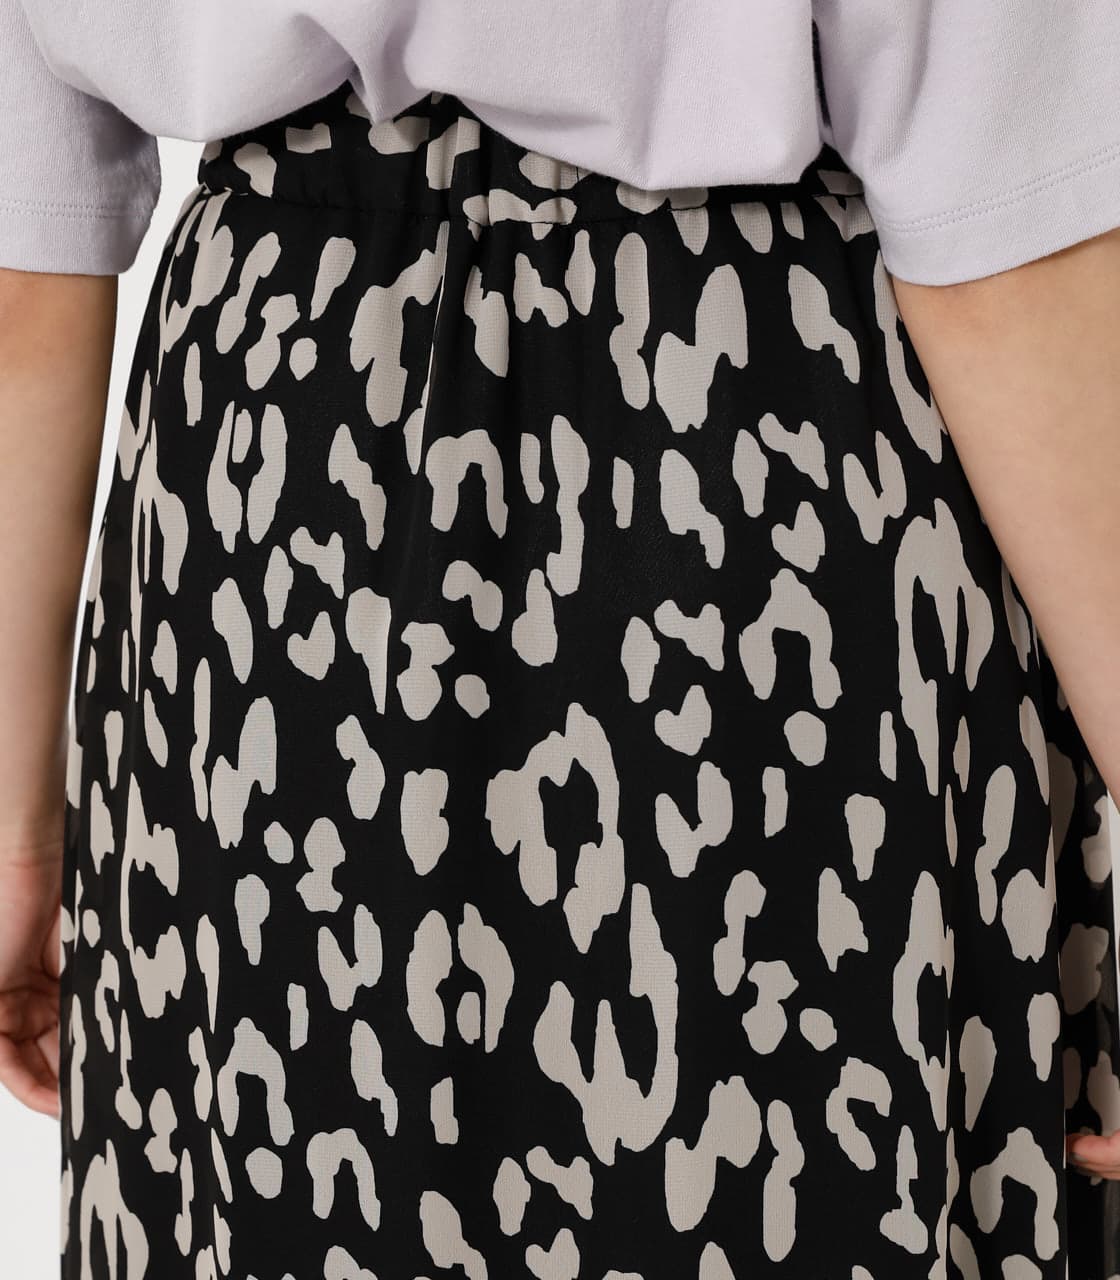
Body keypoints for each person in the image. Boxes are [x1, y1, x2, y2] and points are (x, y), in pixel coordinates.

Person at [2, 2, 1120, 1276]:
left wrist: (17, 831)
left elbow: (26, 257)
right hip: (761, 469)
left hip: (273, 481)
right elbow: (997, 222)